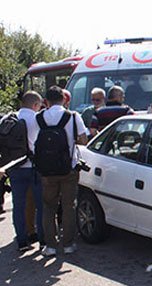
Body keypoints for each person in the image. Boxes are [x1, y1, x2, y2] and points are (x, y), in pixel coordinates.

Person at [36, 86, 89, 256]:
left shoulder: (39, 118)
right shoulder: (73, 116)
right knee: (69, 206)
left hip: (46, 170)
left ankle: (50, 246)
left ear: (47, 101)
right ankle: (68, 244)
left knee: (48, 207)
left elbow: (33, 143)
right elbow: (83, 140)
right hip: (68, 169)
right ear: (64, 99)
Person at [5, 91, 45, 252]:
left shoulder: (8, 119)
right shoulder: (36, 119)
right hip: (34, 167)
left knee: (18, 205)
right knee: (40, 205)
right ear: (35, 104)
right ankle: (43, 241)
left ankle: (22, 241)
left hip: (14, 168)